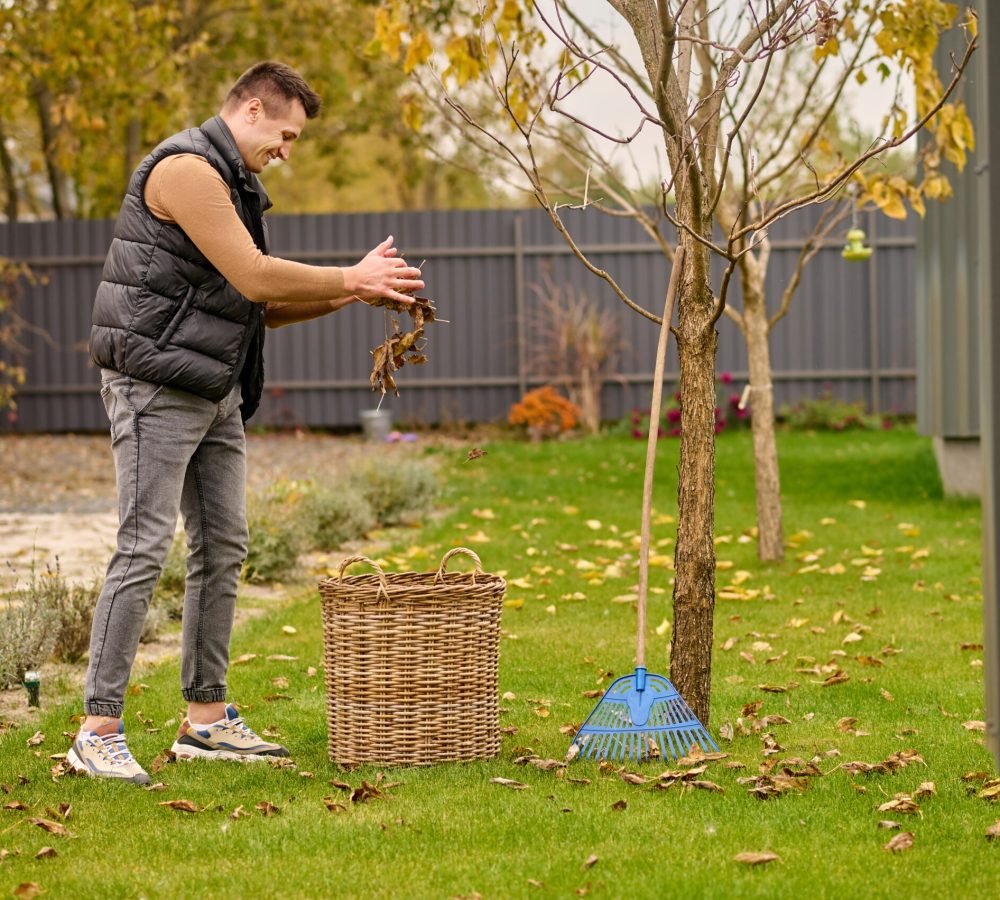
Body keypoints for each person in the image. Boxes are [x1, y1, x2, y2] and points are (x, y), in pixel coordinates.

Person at [69, 61, 423, 784]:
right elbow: (257, 275)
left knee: (223, 546)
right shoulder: (187, 171)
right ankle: (96, 729)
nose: (289, 150)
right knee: (143, 548)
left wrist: (352, 295)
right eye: (286, 134)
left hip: (213, 389)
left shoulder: (233, 184)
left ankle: (205, 719)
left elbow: (254, 306)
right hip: (154, 383)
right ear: (253, 108)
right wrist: (350, 278)